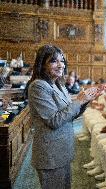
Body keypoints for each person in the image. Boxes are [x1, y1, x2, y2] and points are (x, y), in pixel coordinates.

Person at [28, 45, 98, 189]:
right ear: (42, 64)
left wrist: (86, 100)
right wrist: (79, 100)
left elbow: (69, 116)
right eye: (54, 61)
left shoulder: (58, 84)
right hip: (50, 154)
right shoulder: (38, 86)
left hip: (62, 150)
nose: (61, 65)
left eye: (62, 61)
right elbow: (54, 121)